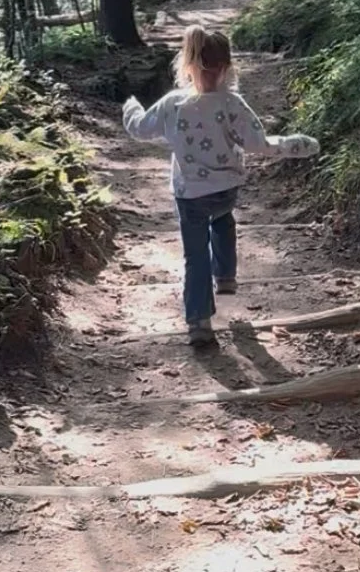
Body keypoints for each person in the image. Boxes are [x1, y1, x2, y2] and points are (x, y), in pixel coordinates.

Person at [123, 26, 319, 349]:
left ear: (187, 64)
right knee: (224, 218)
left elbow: (140, 129)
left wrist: (130, 107)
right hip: (225, 191)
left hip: (189, 196)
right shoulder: (233, 104)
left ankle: (199, 322)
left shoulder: (173, 104)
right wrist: (296, 144)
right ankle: (226, 274)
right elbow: (261, 144)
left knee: (195, 256)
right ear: (227, 68)